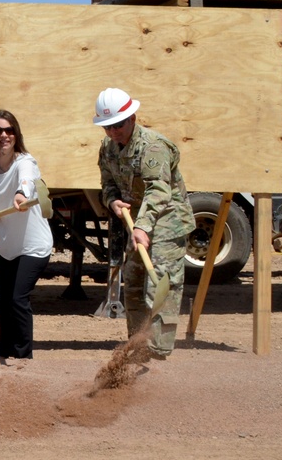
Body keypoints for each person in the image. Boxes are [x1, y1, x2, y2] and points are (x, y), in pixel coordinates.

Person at [94, 87, 194, 360]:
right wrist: (112, 201)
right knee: (136, 284)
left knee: (160, 285)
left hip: (166, 222)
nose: (113, 132)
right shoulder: (107, 148)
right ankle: (138, 348)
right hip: (137, 222)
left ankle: (159, 352)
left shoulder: (153, 146)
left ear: (132, 118)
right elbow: (108, 183)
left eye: (118, 125)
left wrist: (143, 226)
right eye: (107, 127)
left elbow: (158, 190)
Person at [0, 110, 53, 360]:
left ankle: (23, 358)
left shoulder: (25, 161)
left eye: (9, 130)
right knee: (3, 302)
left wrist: (20, 194)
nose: (4, 135)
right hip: (5, 245)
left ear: (16, 134)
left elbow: (26, 180)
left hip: (33, 246)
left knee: (17, 298)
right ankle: (3, 353)